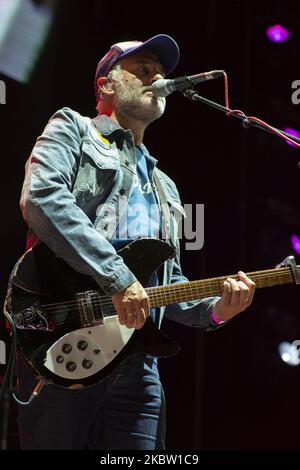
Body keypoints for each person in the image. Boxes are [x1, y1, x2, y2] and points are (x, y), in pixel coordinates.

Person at [16, 34, 255, 450]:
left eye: (161, 72)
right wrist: (117, 277)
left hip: (139, 364)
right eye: (143, 70)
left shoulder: (166, 187)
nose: (158, 77)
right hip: (61, 336)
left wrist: (215, 309)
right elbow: (41, 197)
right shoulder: (73, 128)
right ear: (107, 85)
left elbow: (166, 282)